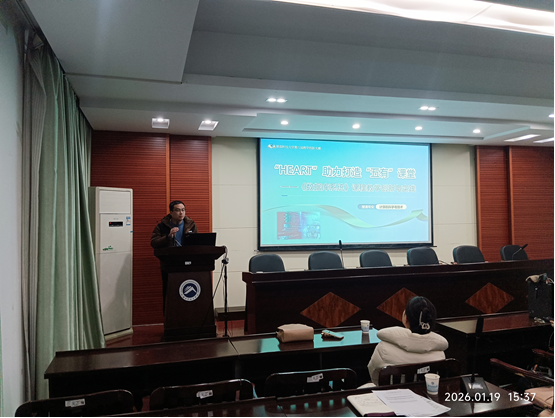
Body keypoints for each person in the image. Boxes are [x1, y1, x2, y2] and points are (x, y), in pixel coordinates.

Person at [367, 296, 448, 385]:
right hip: (426, 393)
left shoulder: (383, 347)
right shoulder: (440, 353)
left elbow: (374, 377)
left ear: (406, 319)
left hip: (391, 393)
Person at [151, 200, 198, 312]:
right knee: (170, 293)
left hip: (188, 264)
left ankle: (190, 315)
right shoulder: (162, 226)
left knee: (188, 293)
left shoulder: (191, 225)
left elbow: (196, 242)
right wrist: (168, 237)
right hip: (169, 265)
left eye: (183, 210)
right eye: (178, 210)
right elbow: (154, 242)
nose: (181, 213)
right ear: (171, 212)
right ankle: (169, 317)